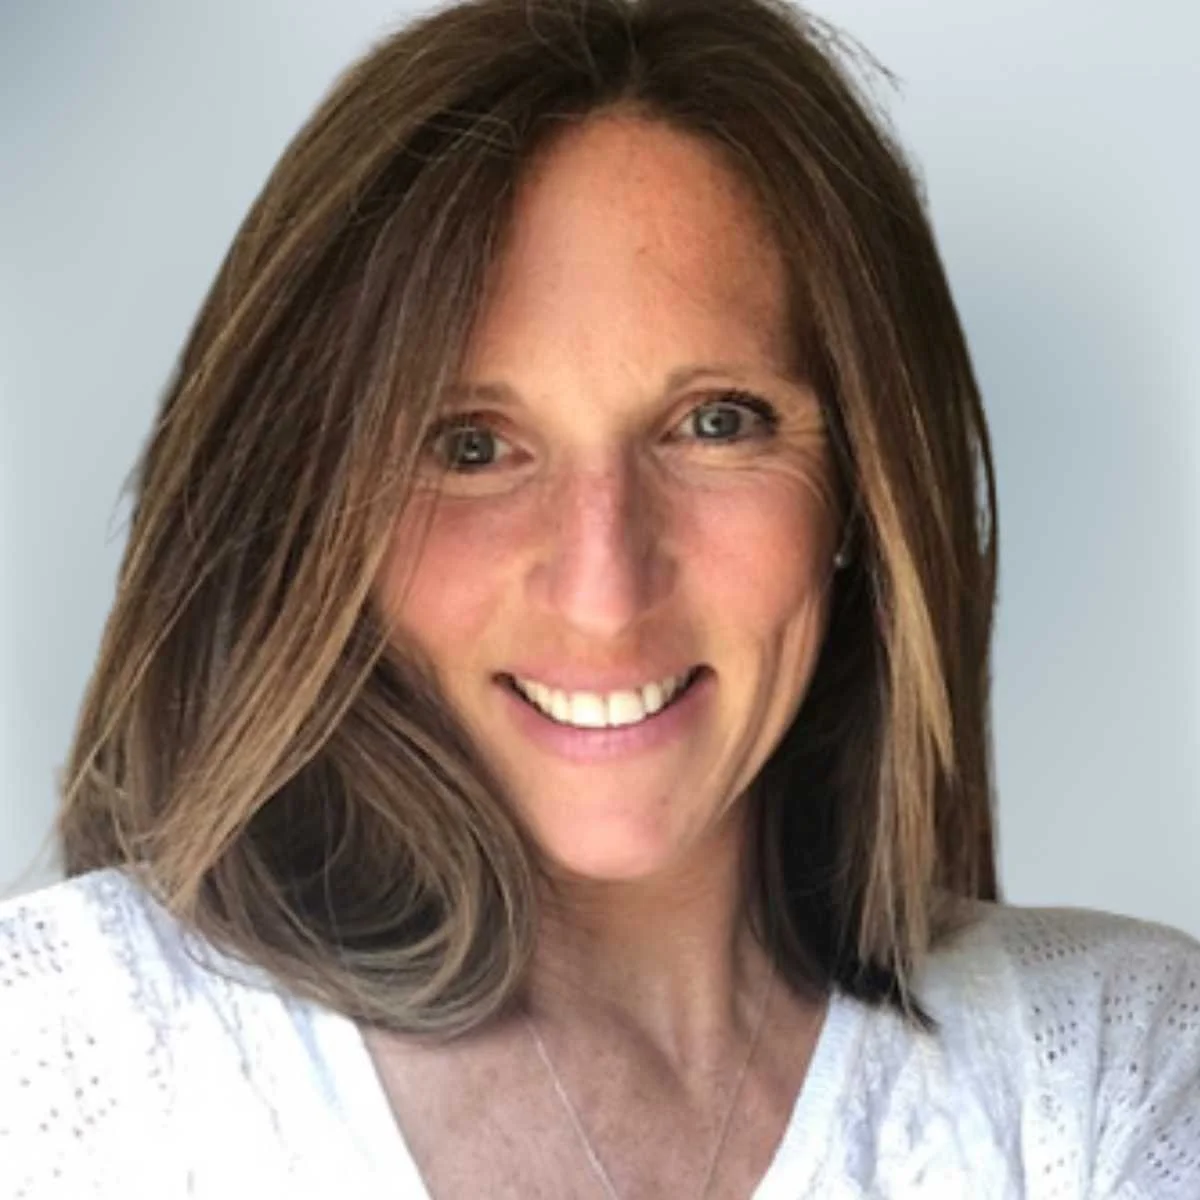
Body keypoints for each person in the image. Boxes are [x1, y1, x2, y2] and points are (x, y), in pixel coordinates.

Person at [2, 0, 1197, 1195]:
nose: (603, 586)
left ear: (862, 489)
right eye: (472, 446)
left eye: (716, 424)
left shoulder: (1108, 1075)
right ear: (315, 509)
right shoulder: (59, 1058)